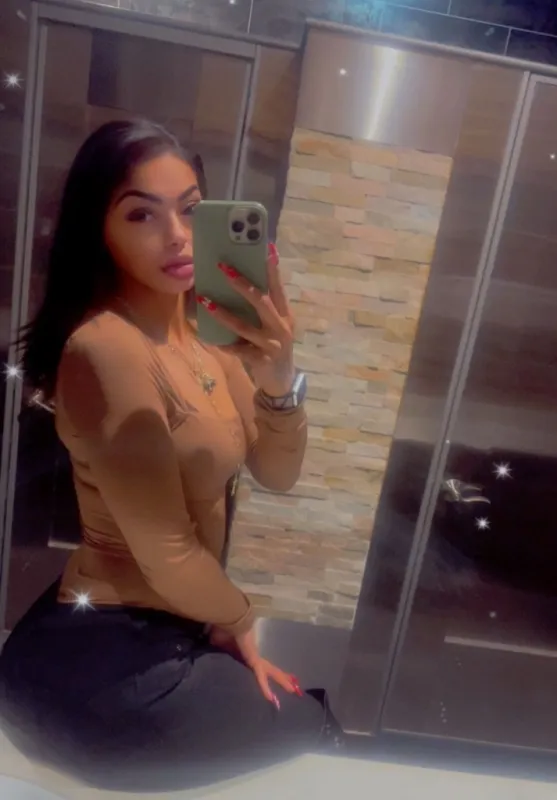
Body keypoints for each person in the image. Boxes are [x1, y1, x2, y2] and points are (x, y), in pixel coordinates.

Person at [0, 120, 342, 792]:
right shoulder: (105, 349)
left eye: (189, 210)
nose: (178, 235)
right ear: (99, 230)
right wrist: (239, 622)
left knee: (306, 720)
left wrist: (278, 379)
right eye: (141, 214)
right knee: (310, 726)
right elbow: (165, 549)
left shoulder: (209, 337)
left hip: (166, 631)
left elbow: (277, 471)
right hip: (103, 664)